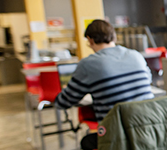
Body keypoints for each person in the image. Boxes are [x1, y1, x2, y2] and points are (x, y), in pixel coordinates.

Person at [53, 20, 154, 150]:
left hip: (117, 135)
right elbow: (148, 80)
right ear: (114, 37)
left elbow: (64, 102)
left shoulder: (88, 64)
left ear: (90, 40)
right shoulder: (136, 55)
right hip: (150, 128)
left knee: (87, 142)